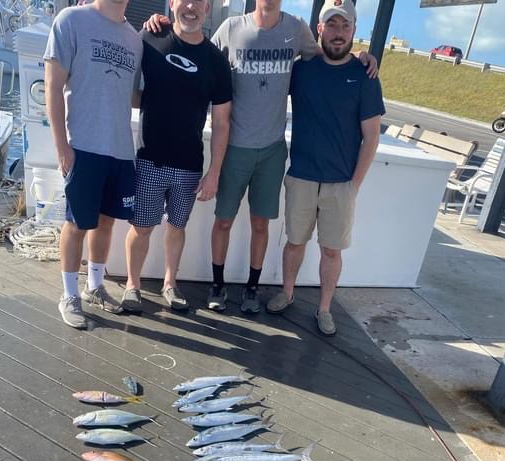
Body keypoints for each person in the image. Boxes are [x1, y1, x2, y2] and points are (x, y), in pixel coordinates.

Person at [146, 0, 376, 315]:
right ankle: (217, 285)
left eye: (344, 26)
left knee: (260, 224)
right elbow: (196, 53)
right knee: (223, 221)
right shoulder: (231, 28)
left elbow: (327, 52)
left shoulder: (295, 28)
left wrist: (361, 56)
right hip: (235, 146)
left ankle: (252, 289)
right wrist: (161, 23)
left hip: (271, 149)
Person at [266, 0, 384, 336]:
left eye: (345, 27)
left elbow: (371, 137)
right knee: (295, 242)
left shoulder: (365, 75)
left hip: (341, 183)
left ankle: (324, 308)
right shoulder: (302, 69)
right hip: (302, 176)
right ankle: (287, 294)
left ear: (354, 32)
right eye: (331, 25)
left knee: (331, 250)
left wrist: (354, 185)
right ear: (319, 29)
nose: (338, 33)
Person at [120, 0, 232, 314]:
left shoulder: (216, 62)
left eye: (200, 2)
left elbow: (222, 122)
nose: (191, 6)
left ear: (208, 9)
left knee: (177, 227)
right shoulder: (150, 37)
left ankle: (170, 284)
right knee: (141, 227)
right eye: (185, 0)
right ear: (172, 3)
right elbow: (122, 80)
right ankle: (133, 285)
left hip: (189, 165)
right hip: (149, 158)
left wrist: (214, 172)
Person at [45, 0, 142, 329]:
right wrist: (61, 146)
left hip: (121, 150)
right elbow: (53, 85)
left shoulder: (134, 38)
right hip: (84, 147)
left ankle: (95, 286)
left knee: (106, 223)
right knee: (76, 224)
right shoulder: (71, 20)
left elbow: (131, 95)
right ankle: (69, 294)